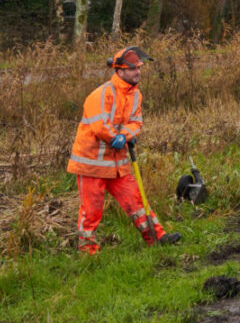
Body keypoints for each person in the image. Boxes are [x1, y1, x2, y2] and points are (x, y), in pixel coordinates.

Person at [68, 45, 180, 253]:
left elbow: (137, 123)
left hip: (118, 163)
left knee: (136, 202)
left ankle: (156, 237)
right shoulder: (101, 94)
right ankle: (88, 250)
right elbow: (100, 126)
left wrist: (124, 135)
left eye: (139, 68)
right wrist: (115, 137)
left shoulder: (136, 95)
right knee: (91, 210)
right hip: (91, 164)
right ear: (119, 71)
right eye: (132, 69)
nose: (137, 72)